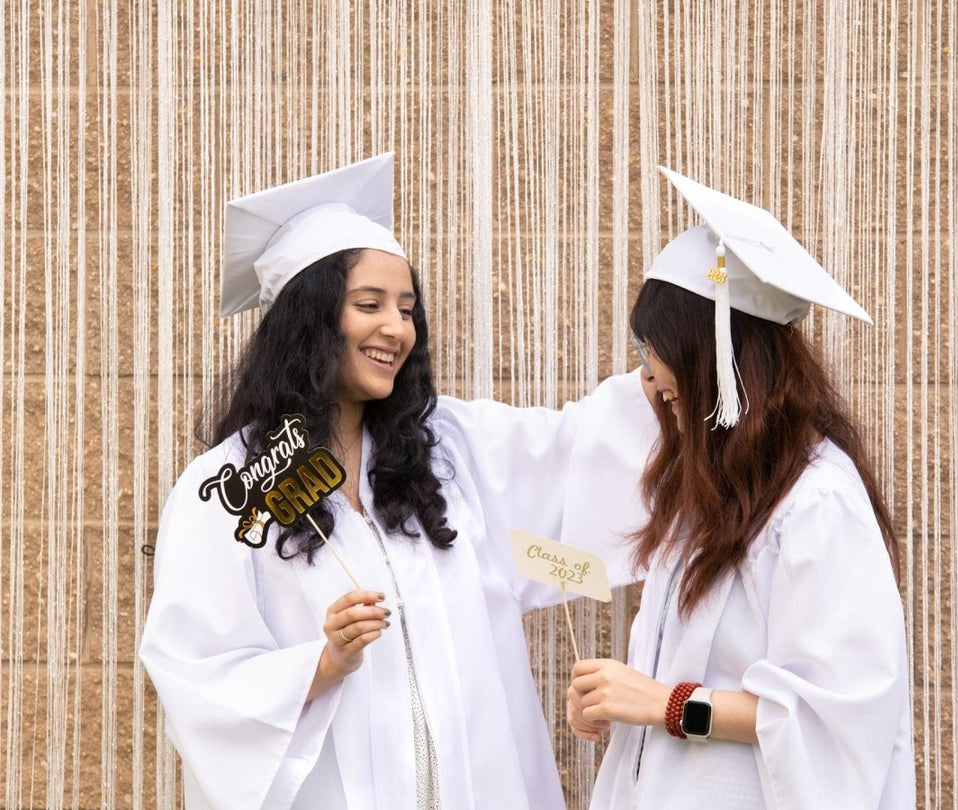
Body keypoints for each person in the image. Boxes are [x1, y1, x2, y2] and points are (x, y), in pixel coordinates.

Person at [139, 153, 657, 810]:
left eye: (407, 309)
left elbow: (578, 452)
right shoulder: (229, 491)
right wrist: (323, 662)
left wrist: (683, 369)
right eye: (370, 304)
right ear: (308, 320)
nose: (397, 328)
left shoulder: (449, 452)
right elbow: (196, 672)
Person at [567, 167, 915, 808]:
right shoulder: (715, 495)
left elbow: (835, 717)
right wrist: (616, 695)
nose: (648, 377)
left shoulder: (816, 505)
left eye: (657, 350)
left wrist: (662, 703)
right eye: (642, 350)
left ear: (720, 357)